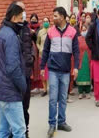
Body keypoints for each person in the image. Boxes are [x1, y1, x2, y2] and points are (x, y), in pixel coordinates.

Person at [40, 7, 79, 138]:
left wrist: (76, 67)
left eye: (55, 16)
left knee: (63, 98)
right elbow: (45, 50)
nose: (53, 18)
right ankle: (52, 124)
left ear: (62, 17)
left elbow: (76, 51)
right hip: (53, 70)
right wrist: (41, 67)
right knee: (52, 98)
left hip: (66, 71)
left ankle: (61, 122)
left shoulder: (73, 31)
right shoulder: (50, 32)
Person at [0, 2, 27, 138]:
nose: (22, 22)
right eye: (20, 19)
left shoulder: (1, 32)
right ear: (13, 18)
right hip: (10, 92)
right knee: (19, 131)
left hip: (0, 89)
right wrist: (23, 86)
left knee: (4, 130)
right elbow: (13, 68)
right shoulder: (11, 36)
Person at [14, 2, 35, 138]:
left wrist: (32, 58)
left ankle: (24, 130)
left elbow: (30, 46)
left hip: (26, 73)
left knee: (25, 105)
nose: (24, 12)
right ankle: (15, 131)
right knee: (15, 106)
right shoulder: (10, 29)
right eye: (21, 10)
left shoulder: (27, 28)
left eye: (25, 10)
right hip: (15, 74)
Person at [37, 17, 50, 97]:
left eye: (47, 21)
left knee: (51, 73)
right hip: (42, 56)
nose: (45, 22)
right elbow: (37, 42)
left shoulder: (52, 31)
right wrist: (40, 48)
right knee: (43, 73)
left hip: (50, 56)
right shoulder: (40, 32)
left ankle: (52, 89)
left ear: (49, 22)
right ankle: (45, 89)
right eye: (44, 21)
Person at [77, 25, 91, 100]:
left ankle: (88, 92)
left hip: (88, 59)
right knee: (81, 75)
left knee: (88, 75)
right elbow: (76, 48)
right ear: (80, 31)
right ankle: (80, 92)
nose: (84, 31)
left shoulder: (89, 38)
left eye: (85, 30)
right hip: (80, 59)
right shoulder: (78, 39)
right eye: (83, 30)